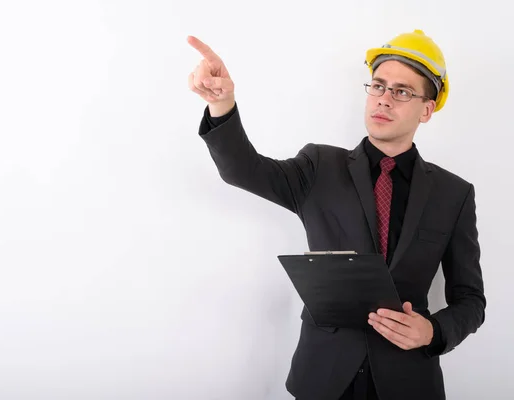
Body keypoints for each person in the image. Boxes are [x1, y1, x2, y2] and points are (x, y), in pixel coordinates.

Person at [186, 29, 486, 400]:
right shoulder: (319, 166)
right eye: (378, 86)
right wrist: (222, 105)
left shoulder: (453, 193)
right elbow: (242, 170)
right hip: (323, 376)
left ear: (427, 109)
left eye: (402, 91)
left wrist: (433, 332)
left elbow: (471, 300)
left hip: (408, 379)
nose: (384, 99)